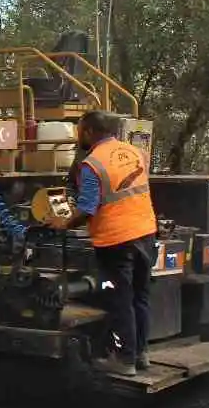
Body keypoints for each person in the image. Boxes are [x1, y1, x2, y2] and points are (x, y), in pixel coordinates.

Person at [48, 109, 158, 375]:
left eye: (79, 131)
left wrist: (63, 223)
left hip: (116, 240)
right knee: (140, 297)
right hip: (145, 232)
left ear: (88, 131)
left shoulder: (93, 164)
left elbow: (86, 208)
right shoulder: (134, 152)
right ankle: (141, 354)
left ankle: (124, 360)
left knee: (120, 298)